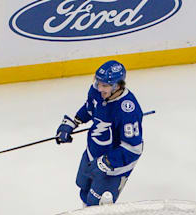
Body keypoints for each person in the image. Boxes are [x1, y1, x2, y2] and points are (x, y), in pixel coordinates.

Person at [55, 60, 144, 206]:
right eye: (98, 83)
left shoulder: (128, 110)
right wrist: (73, 122)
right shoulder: (96, 91)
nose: (99, 88)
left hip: (114, 166)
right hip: (93, 152)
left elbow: (134, 149)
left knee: (99, 204)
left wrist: (106, 162)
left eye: (105, 85)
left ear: (118, 86)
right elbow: (90, 108)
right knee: (84, 190)